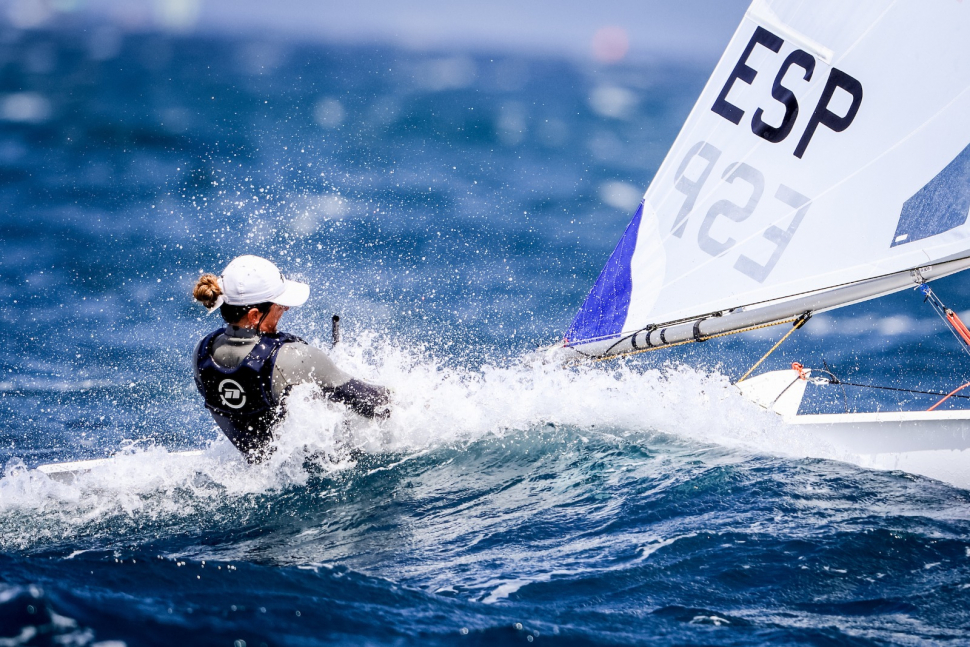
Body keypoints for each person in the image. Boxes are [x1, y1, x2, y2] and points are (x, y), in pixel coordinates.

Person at [192, 255, 390, 462]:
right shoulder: (294, 357)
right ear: (254, 316)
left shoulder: (202, 353)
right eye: (279, 305)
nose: (285, 308)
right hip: (304, 472)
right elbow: (376, 403)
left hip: (248, 471)